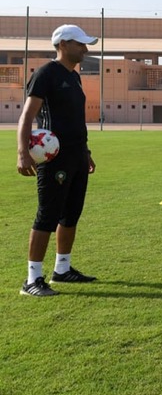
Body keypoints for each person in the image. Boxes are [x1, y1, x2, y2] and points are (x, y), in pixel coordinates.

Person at [16, 24, 101, 296]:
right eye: (80, 44)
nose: (85, 49)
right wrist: (22, 152)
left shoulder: (74, 76)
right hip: (54, 158)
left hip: (77, 155)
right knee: (47, 215)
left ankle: (62, 270)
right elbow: (27, 115)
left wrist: (85, 151)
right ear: (63, 44)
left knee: (71, 213)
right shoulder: (45, 74)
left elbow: (75, 118)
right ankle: (32, 280)